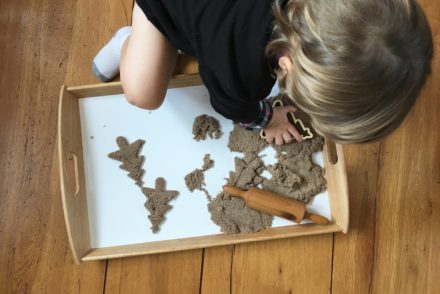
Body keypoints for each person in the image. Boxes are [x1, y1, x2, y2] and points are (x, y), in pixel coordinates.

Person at [92, 0, 433, 145]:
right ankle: (131, 39)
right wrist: (268, 119)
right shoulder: (240, 70)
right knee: (143, 93)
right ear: (285, 65)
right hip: (167, 6)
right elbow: (228, 103)